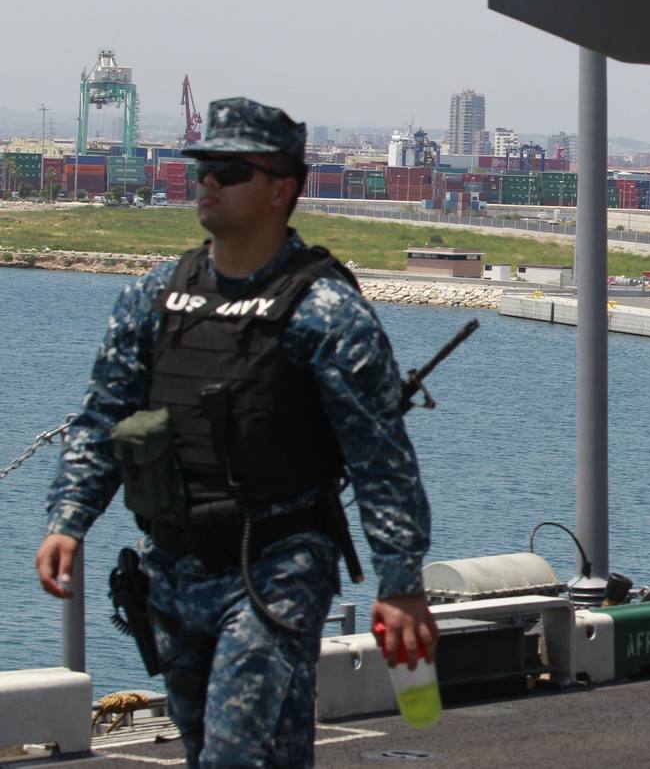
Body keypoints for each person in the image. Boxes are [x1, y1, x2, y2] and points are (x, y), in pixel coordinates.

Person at [34, 98, 438, 767]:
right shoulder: (157, 296)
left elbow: (381, 458)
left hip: (275, 569)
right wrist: (68, 519)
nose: (209, 182)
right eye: (204, 168)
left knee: (233, 757)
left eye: (230, 169)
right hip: (171, 569)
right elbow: (105, 414)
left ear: (283, 189)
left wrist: (401, 583)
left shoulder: (325, 313)